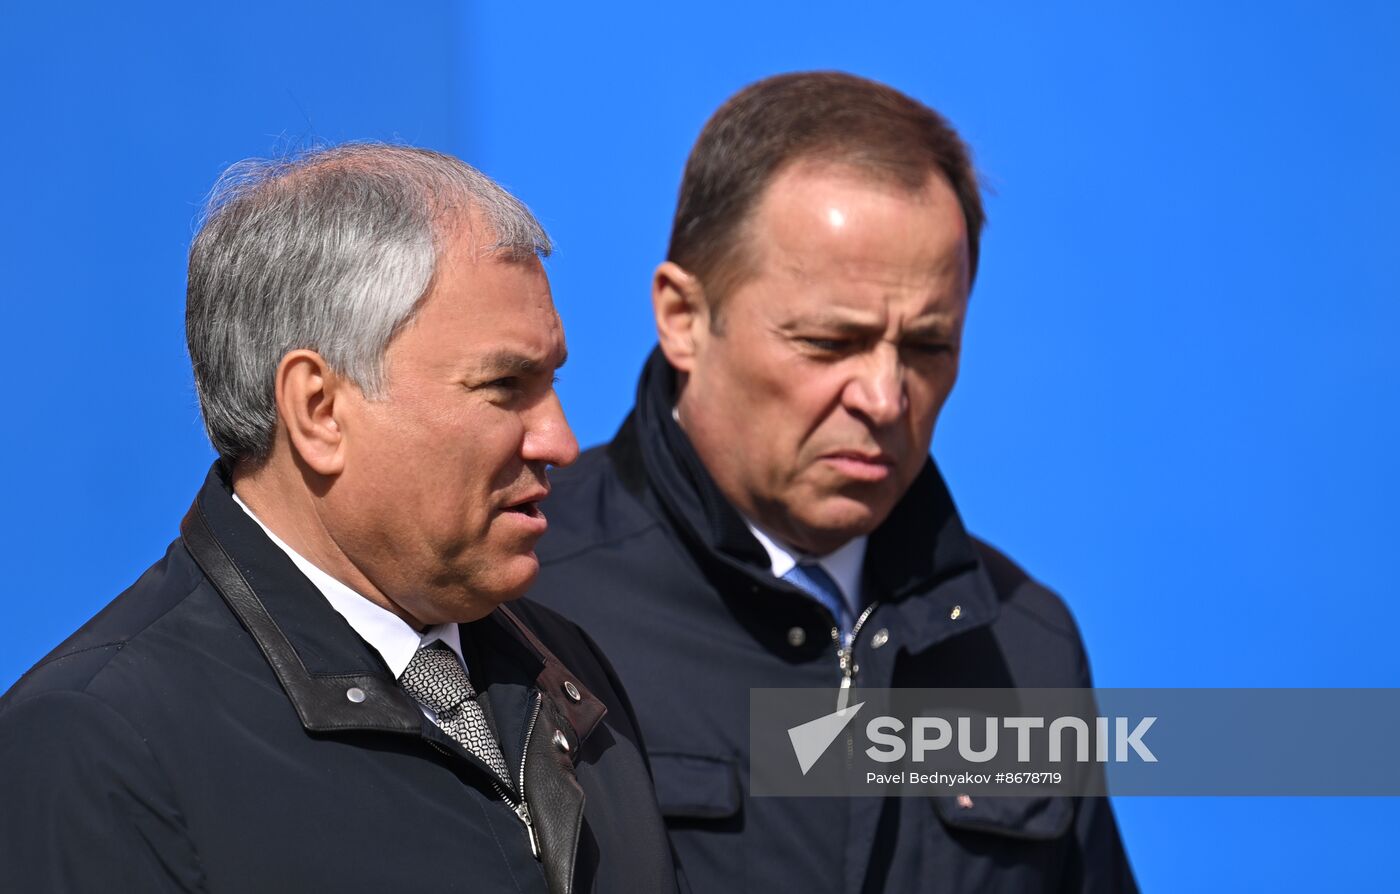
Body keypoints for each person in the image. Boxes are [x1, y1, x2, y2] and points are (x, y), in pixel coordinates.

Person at [0, 144, 677, 894]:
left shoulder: (568, 671)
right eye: (505, 385)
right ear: (319, 410)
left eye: (549, 382)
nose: (560, 441)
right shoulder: (99, 745)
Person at [528, 72, 1138, 892]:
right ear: (682, 318)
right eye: (828, 342)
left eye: (927, 347)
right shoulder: (522, 605)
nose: (885, 398)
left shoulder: (1024, 648)